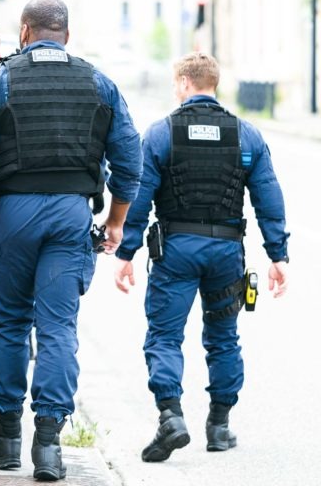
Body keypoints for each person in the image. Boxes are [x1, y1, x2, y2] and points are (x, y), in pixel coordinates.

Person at [0, 0, 142, 481]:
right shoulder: (100, 83)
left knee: (9, 324)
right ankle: (49, 446)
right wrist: (116, 221)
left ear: (24, 32)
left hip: (13, 213)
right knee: (58, 329)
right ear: (67, 36)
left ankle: (8, 438)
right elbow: (130, 163)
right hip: (72, 215)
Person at [113, 52, 289, 462]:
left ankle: (171, 416)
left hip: (176, 250)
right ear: (215, 83)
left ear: (184, 83)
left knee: (164, 337)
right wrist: (278, 255)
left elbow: (138, 199)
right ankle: (220, 425)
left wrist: (125, 252)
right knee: (224, 338)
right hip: (227, 251)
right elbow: (268, 198)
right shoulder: (247, 136)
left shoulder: (161, 134)